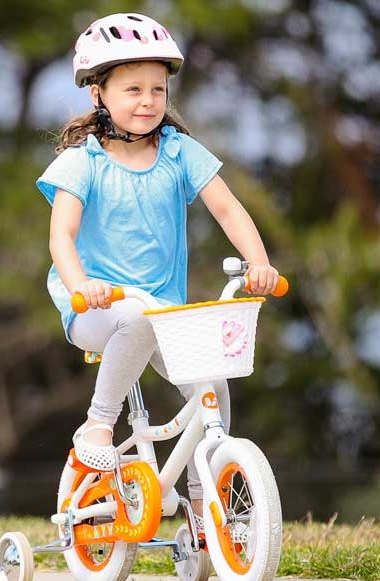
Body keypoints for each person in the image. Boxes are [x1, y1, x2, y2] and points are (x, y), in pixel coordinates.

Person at [37, 12, 279, 520]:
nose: (148, 100)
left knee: (213, 385)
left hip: (163, 311)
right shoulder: (84, 162)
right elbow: (62, 236)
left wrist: (259, 263)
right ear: (98, 94)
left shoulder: (178, 152)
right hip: (98, 308)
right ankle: (98, 424)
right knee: (135, 318)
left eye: (158, 89)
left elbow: (228, 209)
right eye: (133, 90)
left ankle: (204, 509)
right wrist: (82, 286)